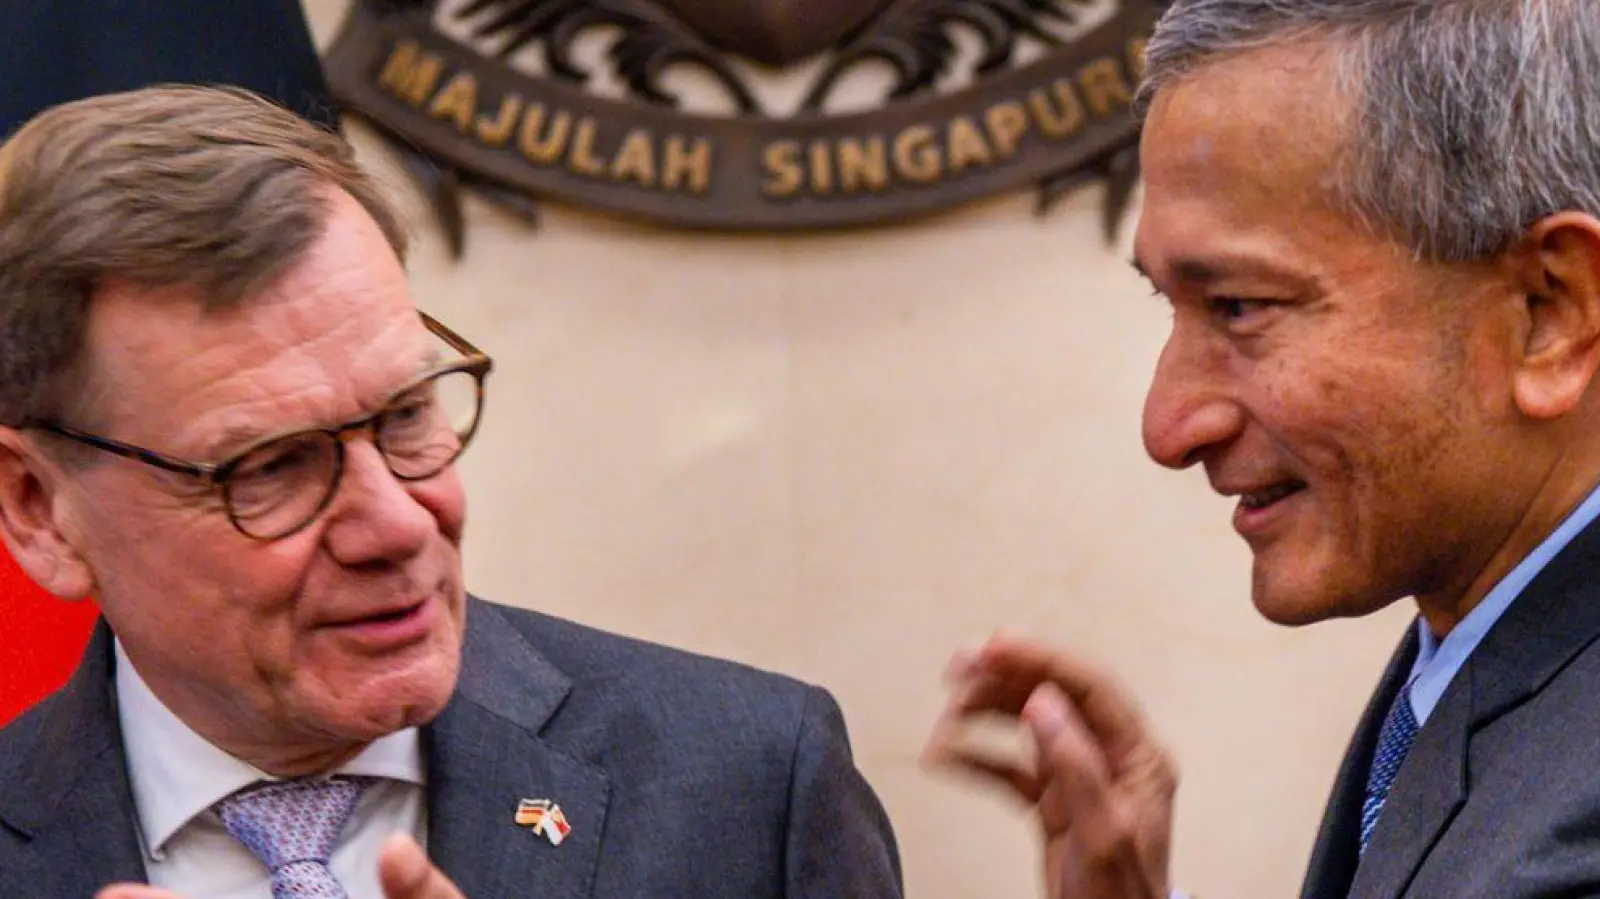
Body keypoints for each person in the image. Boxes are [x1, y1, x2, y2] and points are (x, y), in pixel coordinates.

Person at [0, 85, 902, 899]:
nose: (396, 523)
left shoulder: (747, 785)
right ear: (41, 509)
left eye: (405, 415)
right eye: (271, 466)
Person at [926, 1, 1600, 897]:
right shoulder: (1486, 646)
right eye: (1173, 307)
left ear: (1548, 315)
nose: (1169, 426)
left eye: (1240, 307)